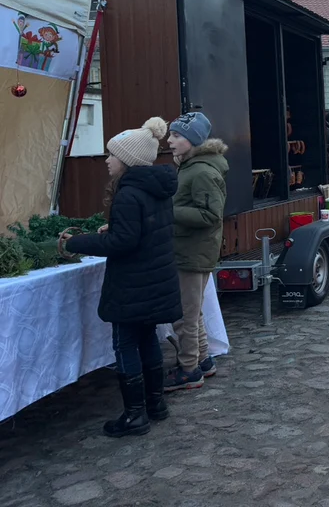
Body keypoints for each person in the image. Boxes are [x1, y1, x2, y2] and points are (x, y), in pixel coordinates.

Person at [63, 117, 181, 437]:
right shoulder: (156, 189)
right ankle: (156, 405)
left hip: (132, 285)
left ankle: (134, 416)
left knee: (126, 344)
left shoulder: (128, 194)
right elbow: (142, 232)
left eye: (111, 155)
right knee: (148, 338)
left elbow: (123, 242)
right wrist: (113, 228)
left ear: (127, 160)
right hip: (154, 280)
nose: (107, 160)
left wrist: (76, 242)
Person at [164, 112, 228, 391]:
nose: (170, 140)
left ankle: (188, 370)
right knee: (193, 312)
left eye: (176, 136)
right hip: (189, 249)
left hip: (192, 252)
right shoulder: (191, 165)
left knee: (184, 316)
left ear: (192, 140)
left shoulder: (202, 171)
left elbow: (210, 215)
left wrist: (168, 210)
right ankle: (203, 360)